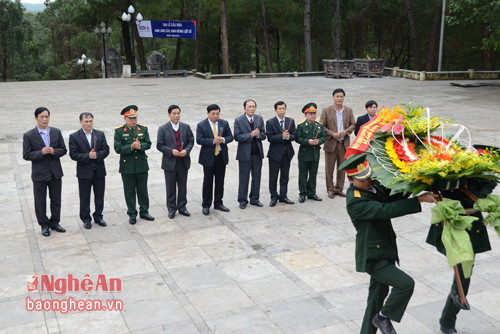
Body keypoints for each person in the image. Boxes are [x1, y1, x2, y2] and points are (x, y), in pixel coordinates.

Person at [340, 154, 439, 334]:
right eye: (362, 179)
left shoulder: (374, 186)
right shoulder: (355, 201)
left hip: (386, 250)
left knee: (375, 302)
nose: (368, 181)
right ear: (350, 179)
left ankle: (374, 322)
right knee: (405, 284)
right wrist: (419, 199)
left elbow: (392, 195)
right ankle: (383, 317)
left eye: (369, 176)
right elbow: (385, 210)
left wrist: (415, 179)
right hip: (373, 256)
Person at [426, 174, 498, 334]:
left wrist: (468, 185)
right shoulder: (443, 174)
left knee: (465, 273)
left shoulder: (480, 177)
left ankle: (447, 320)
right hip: (450, 225)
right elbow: (426, 185)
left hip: (471, 224)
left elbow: (488, 187)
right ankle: (453, 306)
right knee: (461, 264)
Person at [23, 107, 67, 237]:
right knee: (40, 201)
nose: (44, 119)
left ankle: (55, 222)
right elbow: (26, 155)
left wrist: (54, 151)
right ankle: (44, 224)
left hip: (55, 172)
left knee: (56, 199)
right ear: (36, 118)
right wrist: (40, 153)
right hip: (39, 174)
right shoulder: (29, 135)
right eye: (41, 117)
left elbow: (63, 150)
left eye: (46, 116)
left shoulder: (56, 132)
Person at [114, 105, 154, 224]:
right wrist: (131, 147)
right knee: (129, 191)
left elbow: (148, 143)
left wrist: (141, 146)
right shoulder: (120, 131)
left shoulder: (143, 129)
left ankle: (144, 211)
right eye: (130, 118)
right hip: (127, 166)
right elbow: (117, 148)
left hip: (141, 164)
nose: (133, 121)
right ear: (125, 119)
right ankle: (132, 213)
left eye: (135, 118)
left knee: (143, 189)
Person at [69, 112, 109, 229]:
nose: (89, 124)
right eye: (86, 121)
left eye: (90, 121)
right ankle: (86, 218)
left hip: (99, 171)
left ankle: (98, 216)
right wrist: (87, 156)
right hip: (84, 172)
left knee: (99, 195)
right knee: (84, 197)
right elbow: (73, 154)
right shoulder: (74, 136)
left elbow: (106, 150)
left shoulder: (100, 134)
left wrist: (97, 155)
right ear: (80, 122)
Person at [156, 105, 194, 219]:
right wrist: (171, 151)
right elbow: (159, 145)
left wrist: (186, 151)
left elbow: (191, 141)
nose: (176, 116)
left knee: (183, 186)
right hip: (170, 162)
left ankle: (182, 207)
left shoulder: (186, 127)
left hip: (183, 161)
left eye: (178, 113)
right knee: (170, 187)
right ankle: (171, 208)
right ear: (169, 115)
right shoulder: (163, 128)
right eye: (174, 113)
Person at [196, 104, 233, 215]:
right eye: (213, 114)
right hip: (208, 157)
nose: (216, 116)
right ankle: (206, 204)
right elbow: (199, 140)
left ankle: (218, 203)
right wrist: (212, 141)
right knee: (208, 182)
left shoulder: (224, 123)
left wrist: (223, 139)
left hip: (221, 156)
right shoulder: (201, 125)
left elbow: (231, 137)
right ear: (208, 113)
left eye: (217, 113)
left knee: (220, 181)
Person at [320, 88, 356, 199]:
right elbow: (321, 125)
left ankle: (339, 189)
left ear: (344, 98)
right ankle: (330, 189)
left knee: (342, 168)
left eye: (341, 96)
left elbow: (353, 124)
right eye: (337, 96)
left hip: (343, 144)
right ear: (333, 97)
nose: (339, 98)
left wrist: (346, 131)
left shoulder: (348, 110)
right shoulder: (326, 110)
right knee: (329, 168)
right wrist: (331, 133)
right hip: (331, 143)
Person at [234, 99, 266, 209]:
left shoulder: (259, 119)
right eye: (249, 106)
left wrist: (258, 135)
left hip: (257, 153)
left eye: (253, 106)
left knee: (257, 177)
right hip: (244, 154)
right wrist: (250, 135)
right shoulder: (239, 120)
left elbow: (264, 135)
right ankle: (242, 200)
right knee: (244, 178)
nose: (252, 109)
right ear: (244, 108)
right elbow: (237, 137)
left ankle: (255, 198)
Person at [266, 101, 296, 207]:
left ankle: (283, 196)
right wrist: (282, 136)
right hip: (275, 154)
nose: (282, 111)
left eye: (283, 108)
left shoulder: (290, 121)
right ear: (276, 110)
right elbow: (270, 138)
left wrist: (289, 137)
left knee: (285, 176)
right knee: (273, 176)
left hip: (287, 153)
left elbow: (294, 135)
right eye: (280, 109)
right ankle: (273, 197)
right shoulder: (270, 122)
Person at [295, 103, 326, 203]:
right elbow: (298, 138)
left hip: (315, 153)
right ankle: (302, 193)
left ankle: (312, 193)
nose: (313, 115)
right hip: (304, 154)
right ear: (305, 115)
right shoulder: (301, 126)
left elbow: (323, 137)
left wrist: (319, 141)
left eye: (314, 113)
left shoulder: (319, 125)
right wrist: (307, 141)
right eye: (310, 113)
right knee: (303, 175)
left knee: (313, 174)